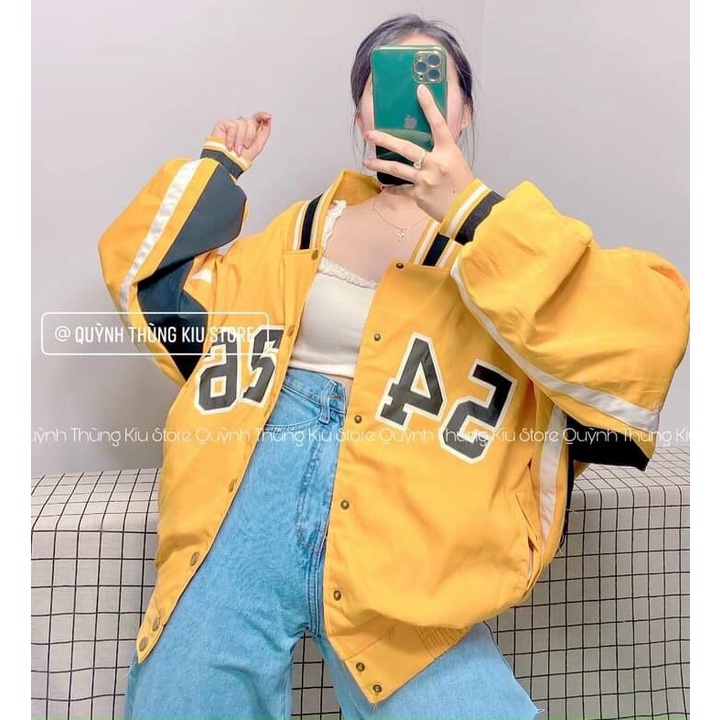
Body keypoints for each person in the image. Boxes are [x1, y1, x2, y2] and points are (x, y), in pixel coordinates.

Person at [98, 13, 689, 720]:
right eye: (389, 79)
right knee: (183, 695)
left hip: (410, 526)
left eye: (433, 78)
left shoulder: (509, 244)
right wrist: (218, 168)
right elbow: (156, 286)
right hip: (248, 494)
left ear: (465, 112)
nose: (415, 95)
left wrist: (471, 211)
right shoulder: (303, 230)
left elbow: (643, 336)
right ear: (362, 114)